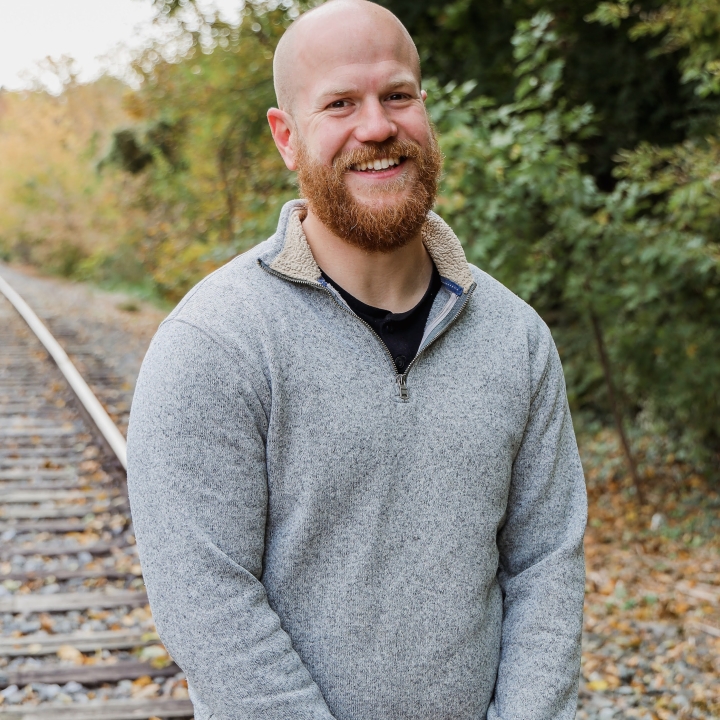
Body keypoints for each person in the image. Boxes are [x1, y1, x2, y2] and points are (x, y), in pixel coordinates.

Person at [126, 1, 587, 718]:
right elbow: (207, 604)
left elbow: (547, 564)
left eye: (397, 95)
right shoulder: (214, 344)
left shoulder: (516, 338)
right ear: (287, 137)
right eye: (340, 103)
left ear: (424, 111)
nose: (377, 125)